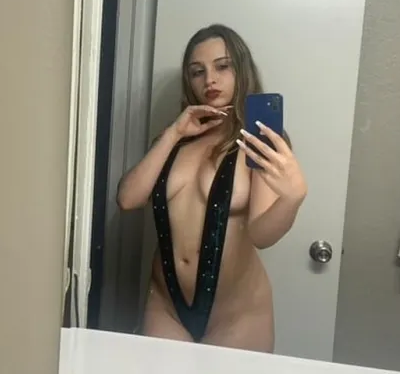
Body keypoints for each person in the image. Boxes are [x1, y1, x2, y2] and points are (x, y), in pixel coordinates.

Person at [116, 24, 307, 352]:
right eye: (197, 71)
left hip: (238, 316)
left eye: (222, 66)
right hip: (166, 308)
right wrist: (174, 133)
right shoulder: (175, 140)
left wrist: (293, 199)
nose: (210, 80)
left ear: (241, 70)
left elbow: (261, 234)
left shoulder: (257, 141)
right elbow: (127, 199)